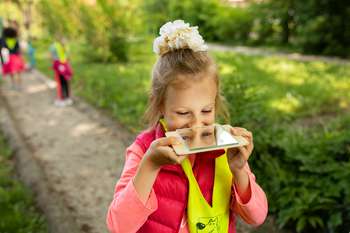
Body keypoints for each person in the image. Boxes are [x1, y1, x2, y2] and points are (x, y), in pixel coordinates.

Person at [106, 20, 268, 233]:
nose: (197, 125)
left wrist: (238, 171)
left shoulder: (225, 149)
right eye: (183, 113)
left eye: (207, 111)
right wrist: (150, 166)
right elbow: (119, 227)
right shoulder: (144, 151)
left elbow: (257, 217)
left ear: (215, 103)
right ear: (160, 105)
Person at [49, 36, 73, 107]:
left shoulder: (54, 46)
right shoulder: (65, 47)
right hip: (65, 66)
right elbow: (68, 57)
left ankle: (61, 99)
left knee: (60, 83)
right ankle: (68, 98)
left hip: (58, 66)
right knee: (66, 82)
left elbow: (51, 56)